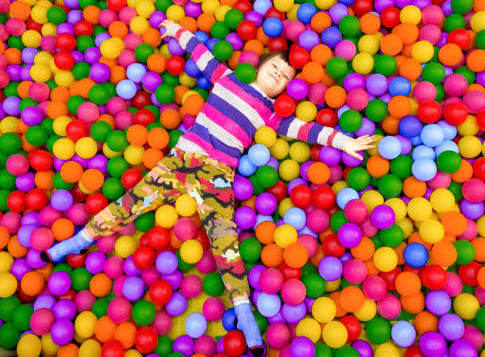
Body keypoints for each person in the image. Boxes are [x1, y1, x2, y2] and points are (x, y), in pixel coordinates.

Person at [43, 19, 376, 354]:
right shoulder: (227, 79)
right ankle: (79, 239)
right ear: (258, 66)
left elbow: (305, 130)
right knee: (130, 204)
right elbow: (200, 53)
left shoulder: (271, 113)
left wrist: (343, 142)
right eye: (275, 67)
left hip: (217, 175)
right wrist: (175, 30)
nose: (279, 74)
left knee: (225, 243)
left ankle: (244, 314)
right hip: (183, 160)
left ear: (284, 89)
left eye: (285, 76)